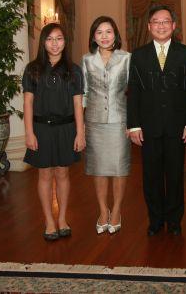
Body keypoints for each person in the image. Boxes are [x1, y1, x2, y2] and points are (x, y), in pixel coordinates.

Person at [127, 5, 186, 236]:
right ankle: (155, 219)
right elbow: (134, 92)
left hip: (177, 127)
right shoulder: (138, 55)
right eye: (156, 22)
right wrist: (134, 125)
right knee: (151, 177)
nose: (161, 25)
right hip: (148, 127)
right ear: (149, 27)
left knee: (176, 175)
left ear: (174, 26)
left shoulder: (185, 53)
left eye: (165, 21)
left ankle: (175, 220)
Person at [22, 23, 85, 241]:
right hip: (41, 128)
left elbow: (78, 103)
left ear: (65, 42)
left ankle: (63, 219)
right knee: (45, 173)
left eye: (59, 38)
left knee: (63, 173)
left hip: (66, 127)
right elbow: (28, 102)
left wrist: (80, 132)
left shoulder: (74, 70)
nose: (55, 43)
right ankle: (49, 220)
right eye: (50, 39)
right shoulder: (32, 69)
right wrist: (29, 132)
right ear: (43, 42)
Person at [81, 16, 131, 235]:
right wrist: (81, 125)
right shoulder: (86, 60)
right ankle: (103, 210)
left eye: (108, 31)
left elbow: (135, 93)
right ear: (94, 36)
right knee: (98, 169)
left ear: (115, 34)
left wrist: (135, 123)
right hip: (94, 122)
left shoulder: (126, 58)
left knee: (119, 168)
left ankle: (117, 210)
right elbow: (82, 94)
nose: (104, 36)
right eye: (99, 32)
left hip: (120, 120)